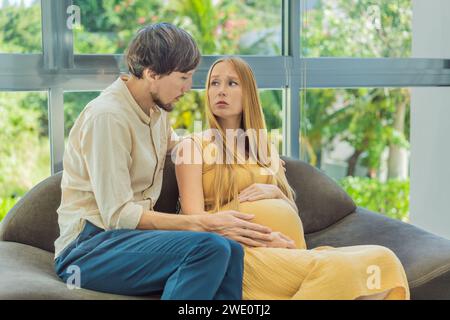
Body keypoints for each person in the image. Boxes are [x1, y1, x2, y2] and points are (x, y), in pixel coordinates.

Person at [54, 23, 275, 300]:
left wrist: (258, 165)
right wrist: (203, 223)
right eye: (183, 77)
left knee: (231, 249)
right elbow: (119, 215)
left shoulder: (155, 111)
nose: (189, 87)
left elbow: (184, 147)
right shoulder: (108, 118)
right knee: (210, 247)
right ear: (151, 73)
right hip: (88, 248)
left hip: (127, 241)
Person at [174, 56, 411, 300]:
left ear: (249, 94)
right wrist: (264, 239)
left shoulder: (263, 149)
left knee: (384, 260)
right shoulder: (192, 147)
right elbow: (193, 221)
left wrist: (275, 193)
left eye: (232, 83)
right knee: (340, 269)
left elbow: (290, 210)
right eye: (214, 83)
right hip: (246, 256)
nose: (221, 91)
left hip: (291, 253)